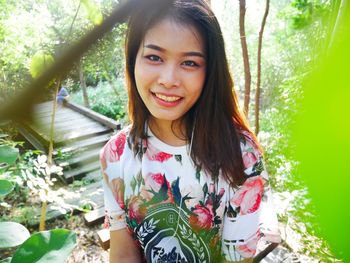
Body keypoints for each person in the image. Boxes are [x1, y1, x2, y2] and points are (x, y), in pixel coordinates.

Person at [100, 0, 281, 262]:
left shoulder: (241, 157)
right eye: (154, 57)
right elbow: (123, 254)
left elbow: (237, 260)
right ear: (132, 60)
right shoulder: (115, 155)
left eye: (190, 63)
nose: (169, 79)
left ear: (210, 72)